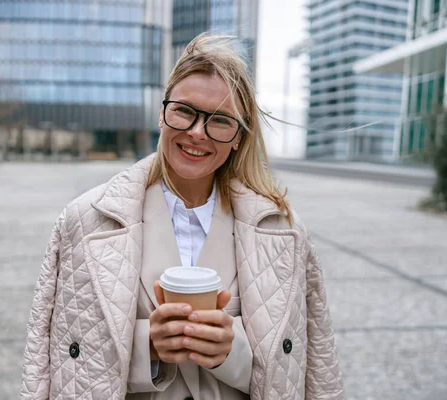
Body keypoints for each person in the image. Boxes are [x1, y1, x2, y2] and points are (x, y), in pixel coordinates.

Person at [20, 33, 344, 400]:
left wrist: (230, 351)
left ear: (239, 136)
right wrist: (148, 348)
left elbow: (314, 366)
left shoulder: (286, 232)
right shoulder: (85, 220)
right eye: (185, 111)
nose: (196, 132)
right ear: (162, 112)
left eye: (220, 120)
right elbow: (52, 360)